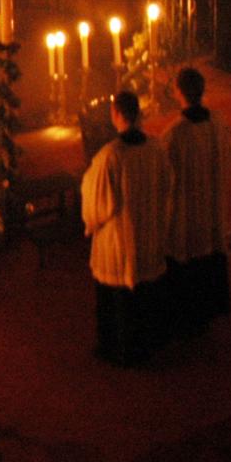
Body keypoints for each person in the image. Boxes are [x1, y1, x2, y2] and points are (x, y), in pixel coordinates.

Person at [82, 90, 174, 367]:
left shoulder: (109, 157)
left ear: (116, 115)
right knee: (146, 295)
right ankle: (150, 341)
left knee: (119, 302)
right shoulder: (157, 148)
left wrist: (90, 224)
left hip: (119, 244)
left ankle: (120, 349)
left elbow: (96, 206)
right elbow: (168, 187)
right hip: (149, 238)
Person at [162, 68, 231, 338]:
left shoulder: (175, 134)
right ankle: (209, 309)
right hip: (211, 206)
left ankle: (186, 315)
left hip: (184, 211)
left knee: (186, 256)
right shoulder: (217, 122)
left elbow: (163, 177)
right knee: (209, 252)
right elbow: (230, 158)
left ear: (178, 92)